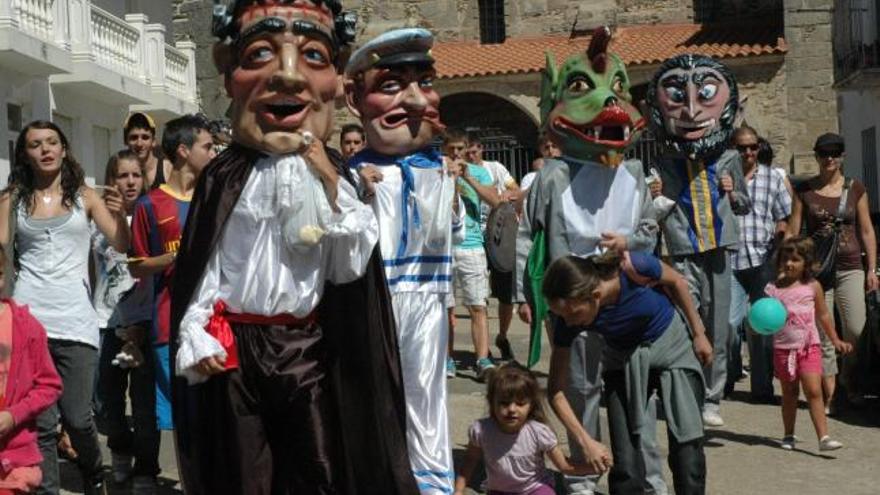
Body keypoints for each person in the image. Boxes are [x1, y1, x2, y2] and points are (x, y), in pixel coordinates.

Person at [170, 1, 416, 493]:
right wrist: (196, 329)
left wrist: (326, 176)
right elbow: (206, 265)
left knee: (317, 467)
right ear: (228, 72)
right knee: (245, 474)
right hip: (237, 346)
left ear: (338, 81)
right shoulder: (223, 176)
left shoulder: (334, 176)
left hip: (305, 346)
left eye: (313, 57)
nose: (287, 76)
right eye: (260, 52)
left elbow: (349, 268)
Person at [515, 28, 664, 495]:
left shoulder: (636, 175)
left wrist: (631, 245)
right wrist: (530, 294)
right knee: (578, 387)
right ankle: (581, 476)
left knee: (636, 392)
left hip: (622, 296)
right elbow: (528, 235)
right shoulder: (551, 179)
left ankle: (644, 476)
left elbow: (648, 231)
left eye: (619, 88)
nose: (612, 103)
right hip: (572, 300)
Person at [345, 28, 463, 493]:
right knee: (374, 393)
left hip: (429, 298)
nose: (416, 101)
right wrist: (354, 189)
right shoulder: (351, 175)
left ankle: (430, 481)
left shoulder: (439, 170)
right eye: (393, 86)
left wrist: (452, 191)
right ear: (355, 99)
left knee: (427, 393)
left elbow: (451, 233)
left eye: (425, 82)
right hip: (376, 298)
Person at [0, 120, 129, 495]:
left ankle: (93, 472)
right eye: (36, 144)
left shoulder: (86, 196)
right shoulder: (13, 199)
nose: (45, 150)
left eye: (52, 142)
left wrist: (120, 215)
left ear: (64, 149)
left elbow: (120, 245)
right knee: (41, 421)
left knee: (78, 417)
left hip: (75, 318)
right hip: (28, 319)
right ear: (24, 153)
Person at [544, 251, 712, 494]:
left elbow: (677, 281)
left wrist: (698, 333)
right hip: (622, 359)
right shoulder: (567, 321)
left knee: (688, 450)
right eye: (562, 316)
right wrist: (585, 441)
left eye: (572, 314)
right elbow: (555, 391)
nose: (568, 323)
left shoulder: (634, 268)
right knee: (626, 463)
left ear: (595, 296)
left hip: (671, 345)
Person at [645, 54, 752, 428]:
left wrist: (732, 192)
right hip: (681, 249)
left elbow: (743, 204)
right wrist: (654, 193)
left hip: (719, 249)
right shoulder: (663, 161)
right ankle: (688, 386)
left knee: (719, 326)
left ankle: (713, 396)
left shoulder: (729, 158)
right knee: (688, 322)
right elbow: (652, 212)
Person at [129, 114, 216, 436]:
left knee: (213, 413)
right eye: (206, 147)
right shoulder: (150, 204)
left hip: (214, 322)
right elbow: (136, 265)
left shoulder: (214, 199)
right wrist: (171, 258)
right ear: (183, 150)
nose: (212, 154)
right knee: (182, 419)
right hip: (168, 322)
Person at [789, 132, 878, 413]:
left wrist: (872, 269)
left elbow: (866, 230)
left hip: (852, 266)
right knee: (823, 334)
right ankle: (831, 394)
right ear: (816, 156)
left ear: (842, 157)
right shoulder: (804, 190)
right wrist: (790, 266)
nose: (830, 159)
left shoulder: (855, 188)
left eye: (835, 153)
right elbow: (794, 229)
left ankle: (849, 379)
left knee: (855, 328)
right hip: (818, 270)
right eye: (824, 153)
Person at [91, 150, 160, 493]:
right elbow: (92, 270)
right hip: (106, 322)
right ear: (111, 179)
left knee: (146, 407)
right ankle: (120, 448)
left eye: (135, 175)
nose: (130, 182)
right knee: (105, 403)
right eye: (122, 175)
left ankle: (146, 468)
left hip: (144, 323)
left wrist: (146, 322)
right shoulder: (96, 220)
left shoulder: (150, 217)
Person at [764, 236, 851, 451]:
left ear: (807, 263)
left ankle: (824, 438)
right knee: (790, 393)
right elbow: (765, 316)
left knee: (814, 391)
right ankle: (788, 434)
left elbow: (823, 315)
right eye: (785, 259)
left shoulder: (813, 287)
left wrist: (835, 340)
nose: (789, 264)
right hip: (783, 349)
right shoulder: (773, 288)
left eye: (795, 260)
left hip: (809, 346)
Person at [726, 127, 792, 403]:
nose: (748, 152)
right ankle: (727, 380)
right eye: (742, 148)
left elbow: (785, 216)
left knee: (763, 324)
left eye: (752, 147)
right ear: (733, 149)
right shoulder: (723, 177)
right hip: (729, 259)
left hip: (763, 259)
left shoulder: (772, 178)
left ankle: (762, 389)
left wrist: (780, 244)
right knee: (729, 324)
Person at [454, 363, 592, 495]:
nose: (512, 409)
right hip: (499, 491)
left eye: (520, 403)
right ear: (492, 402)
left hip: (535, 489)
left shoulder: (538, 432)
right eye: (504, 403)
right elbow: (470, 459)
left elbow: (564, 466)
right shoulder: (481, 430)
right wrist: (459, 490)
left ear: (531, 404)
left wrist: (592, 468)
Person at [0, 245, 63, 494]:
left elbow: (50, 385)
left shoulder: (27, 328)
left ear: (3, 276)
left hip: (14, 460)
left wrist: (14, 415)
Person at [445, 128, 500, 380]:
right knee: (446, 309)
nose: (455, 153)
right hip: (444, 248)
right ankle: (446, 358)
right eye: (451, 148)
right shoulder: (437, 171)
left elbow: (496, 201)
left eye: (460, 148)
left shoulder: (477, 171)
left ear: (467, 149)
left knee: (478, 305)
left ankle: (482, 359)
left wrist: (468, 177)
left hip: (471, 246)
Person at [465, 136, 521, 361]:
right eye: (467, 152)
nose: (471, 155)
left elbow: (514, 188)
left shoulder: (495, 168)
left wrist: (508, 194)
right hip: (474, 238)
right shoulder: (461, 173)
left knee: (505, 294)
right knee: (478, 298)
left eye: (474, 150)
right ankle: (483, 345)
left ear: (481, 149)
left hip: (498, 236)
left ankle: (502, 335)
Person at [123, 113, 172, 188]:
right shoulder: (120, 172)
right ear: (125, 141)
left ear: (153, 141)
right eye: (134, 137)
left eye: (145, 137)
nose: (139, 144)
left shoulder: (168, 170)